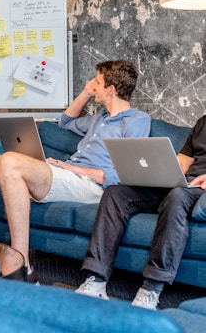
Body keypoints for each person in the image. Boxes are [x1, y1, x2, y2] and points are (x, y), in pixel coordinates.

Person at [0, 59, 151, 283]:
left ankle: (22, 264)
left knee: (11, 162)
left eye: (97, 81)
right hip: (67, 175)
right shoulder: (99, 119)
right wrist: (85, 92)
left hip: (91, 186)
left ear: (110, 90)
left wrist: (76, 169)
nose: (92, 84)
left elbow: (126, 173)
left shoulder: (137, 121)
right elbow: (65, 122)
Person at [75, 115, 206, 310]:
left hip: (199, 191)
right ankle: (96, 280)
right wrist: (157, 173)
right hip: (184, 183)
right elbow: (182, 164)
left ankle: (151, 288)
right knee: (115, 193)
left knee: (177, 196)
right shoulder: (203, 122)